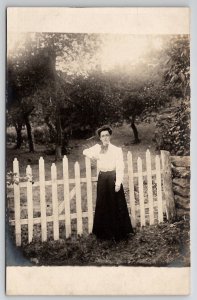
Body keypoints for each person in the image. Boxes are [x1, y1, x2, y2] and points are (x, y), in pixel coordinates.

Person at [83, 125, 133, 241]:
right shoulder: (97, 148)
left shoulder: (116, 150)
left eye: (106, 135)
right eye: (102, 136)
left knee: (116, 204)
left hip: (113, 178)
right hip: (102, 178)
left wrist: (118, 183)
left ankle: (119, 233)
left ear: (110, 136)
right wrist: (93, 156)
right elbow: (85, 151)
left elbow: (120, 167)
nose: (105, 138)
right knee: (102, 204)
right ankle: (104, 234)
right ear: (100, 138)